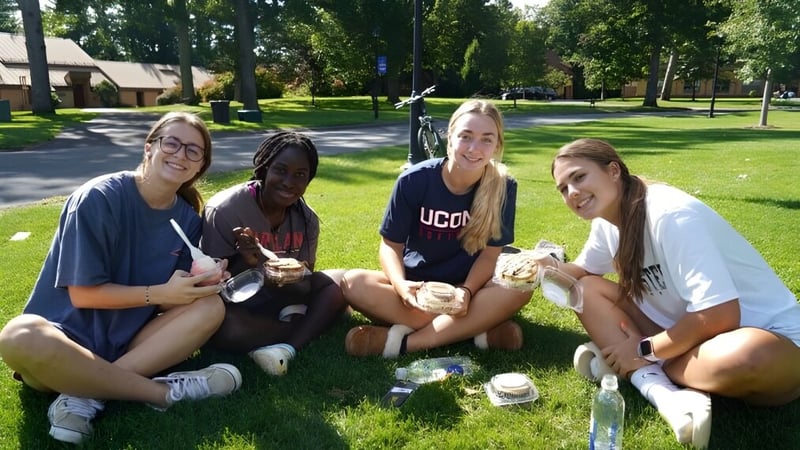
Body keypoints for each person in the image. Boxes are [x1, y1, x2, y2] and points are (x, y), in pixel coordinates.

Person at [0, 112, 243, 445]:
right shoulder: (98, 199)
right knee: (19, 335)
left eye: (193, 150)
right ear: (149, 148)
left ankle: (86, 393)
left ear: (200, 165)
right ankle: (163, 393)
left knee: (211, 307)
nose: (180, 154)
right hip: (63, 344)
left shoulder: (187, 219)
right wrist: (160, 293)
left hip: (127, 344)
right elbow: (84, 295)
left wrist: (202, 281)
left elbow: (169, 295)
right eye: (171, 143)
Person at [542, 138, 800, 449]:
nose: (572, 193)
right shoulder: (607, 224)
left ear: (613, 171)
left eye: (579, 177)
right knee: (585, 290)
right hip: (688, 338)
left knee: (747, 356)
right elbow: (582, 270)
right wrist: (536, 268)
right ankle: (665, 396)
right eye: (563, 189)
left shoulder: (670, 214)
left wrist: (639, 350)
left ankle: (638, 366)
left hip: (768, 339)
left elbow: (721, 315)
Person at [341, 100, 532, 358]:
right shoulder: (414, 180)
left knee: (520, 287)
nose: (474, 148)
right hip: (419, 288)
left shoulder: (503, 186)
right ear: (449, 136)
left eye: (487, 139)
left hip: (470, 291)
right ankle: (478, 329)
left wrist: (465, 292)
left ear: (497, 145)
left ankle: (404, 344)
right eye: (466, 136)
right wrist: (400, 286)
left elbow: (490, 255)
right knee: (353, 283)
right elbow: (391, 245)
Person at [201, 131, 347, 376]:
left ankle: (287, 346)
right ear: (263, 168)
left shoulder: (307, 219)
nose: (289, 182)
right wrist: (247, 264)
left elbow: (305, 285)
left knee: (338, 285)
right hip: (239, 304)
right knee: (227, 328)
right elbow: (214, 287)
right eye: (280, 170)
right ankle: (302, 330)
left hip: (285, 296)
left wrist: (276, 270)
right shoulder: (225, 210)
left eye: (300, 175)